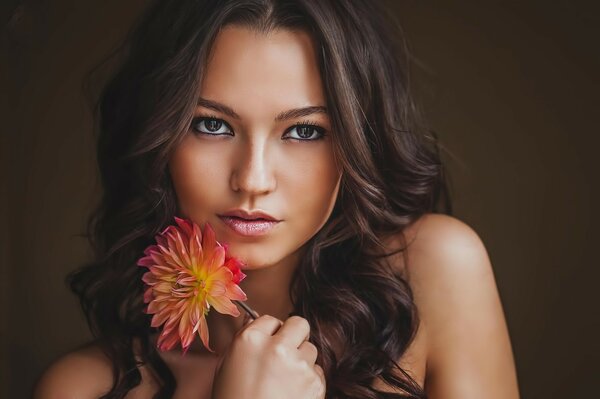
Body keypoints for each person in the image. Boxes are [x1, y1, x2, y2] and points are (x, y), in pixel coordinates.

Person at [33, 0, 520, 398]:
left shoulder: (432, 271)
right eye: (212, 125)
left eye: (304, 130)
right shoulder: (86, 388)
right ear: (158, 139)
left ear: (355, 143)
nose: (253, 179)